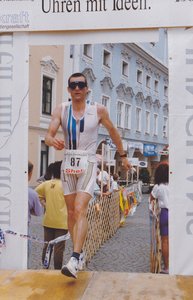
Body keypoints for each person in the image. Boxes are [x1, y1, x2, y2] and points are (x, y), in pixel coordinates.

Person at [45, 72, 131, 278]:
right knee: (72, 213)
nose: (77, 88)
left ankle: (74, 257)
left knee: (80, 208)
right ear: (68, 89)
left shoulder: (98, 110)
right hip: (68, 162)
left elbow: (113, 132)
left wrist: (124, 156)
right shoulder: (61, 109)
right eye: (73, 85)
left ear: (87, 89)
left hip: (88, 162)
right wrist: (51, 140)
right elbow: (49, 134)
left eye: (81, 85)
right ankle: (80, 253)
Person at [35, 161, 68, 270]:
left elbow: (36, 194)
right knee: (59, 249)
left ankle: (45, 268)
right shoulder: (66, 186)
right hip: (62, 222)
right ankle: (57, 271)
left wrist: (45, 203)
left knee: (47, 246)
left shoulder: (46, 184)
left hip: (48, 220)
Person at [150, 162, 169, 274]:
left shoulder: (158, 187)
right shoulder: (174, 185)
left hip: (165, 214)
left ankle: (167, 267)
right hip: (176, 214)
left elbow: (151, 199)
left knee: (165, 241)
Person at [28, 161, 43, 268]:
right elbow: (38, 212)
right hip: (23, 230)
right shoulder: (32, 193)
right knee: (25, 257)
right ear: (29, 174)